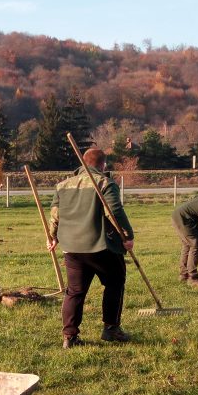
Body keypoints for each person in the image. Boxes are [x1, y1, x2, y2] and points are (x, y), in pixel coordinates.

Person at [47, 148, 134, 348]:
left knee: (75, 291)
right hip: (100, 246)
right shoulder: (104, 183)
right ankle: (111, 329)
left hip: (71, 248)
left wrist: (52, 237)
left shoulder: (63, 186)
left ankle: (70, 336)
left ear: (82, 164)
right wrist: (127, 236)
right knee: (115, 282)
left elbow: (55, 215)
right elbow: (114, 212)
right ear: (103, 165)